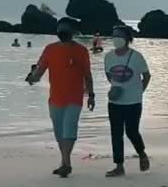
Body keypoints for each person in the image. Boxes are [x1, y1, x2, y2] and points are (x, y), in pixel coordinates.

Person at [26, 19, 94, 177]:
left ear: (72, 32)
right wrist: (31, 78)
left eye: (66, 29)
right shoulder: (50, 49)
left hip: (75, 97)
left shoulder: (81, 51)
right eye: (61, 29)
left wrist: (91, 95)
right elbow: (39, 72)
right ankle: (64, 161)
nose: (63, 31)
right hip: (55, 98)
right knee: (59, 132)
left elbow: (87, 75)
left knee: (69, 129)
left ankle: (66, 163)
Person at [103, 25, 151, 177]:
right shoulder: (108, 57)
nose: (115, 38)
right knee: (116, 133)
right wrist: (114, 88)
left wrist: (140, 91)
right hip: (115, 102)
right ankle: (119, 166)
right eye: (114, 35)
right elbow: (108, 74)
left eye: (119, 35)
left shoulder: (136, 57)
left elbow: (147, 76)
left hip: (133, 102)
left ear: (127, 39)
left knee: (132, 131)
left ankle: (142, 153)